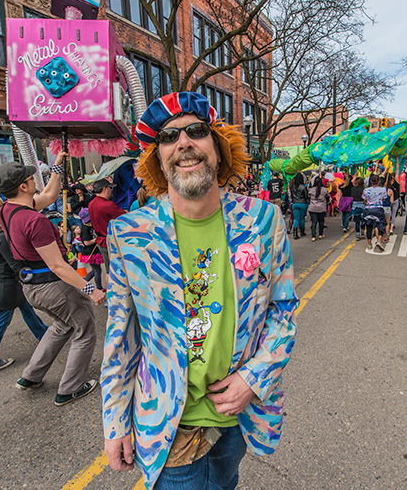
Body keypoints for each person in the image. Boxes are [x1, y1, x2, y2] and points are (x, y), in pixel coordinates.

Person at [102, 91, 297, 489]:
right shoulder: (129, 234)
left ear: (219, 148)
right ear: (158, 158)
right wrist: (115, 419)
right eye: (168, 136)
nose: (184, 142)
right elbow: (121, 335)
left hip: (240, 418)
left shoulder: (264, 220)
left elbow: (284, 310)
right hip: (170, 426)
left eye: (196, 130)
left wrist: (255, 378)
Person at [0, 152, 104, 406]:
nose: (35, 181)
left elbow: (50, 195)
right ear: (23, 186)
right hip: (53, 286)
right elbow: (58, 266)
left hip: (32, 287)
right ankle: (70, 388)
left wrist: (57, 166)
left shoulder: (7, 210)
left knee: (62, 325)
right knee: (84, 328)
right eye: (31, 178)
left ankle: (31, 376)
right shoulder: (35, 220)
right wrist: (90, 290)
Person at [0, 196, 47, 377]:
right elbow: (14, 263)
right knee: (0, 322)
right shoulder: (1, 237)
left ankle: (44, 336)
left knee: (26, 309)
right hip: (4, 283)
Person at [88, 178, 125, 286]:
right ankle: (112, 296)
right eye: (110, 188)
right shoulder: (108, 205)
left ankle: (109, 296)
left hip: (100, 241)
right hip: (110, 241)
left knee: (108, 270)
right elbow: (124, 218)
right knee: (114, 271)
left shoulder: (91, 204)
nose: (111, 190)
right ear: (104, 189)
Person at [362, 174, 393, 252]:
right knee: (381, 225)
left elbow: (364, 201)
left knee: (369, 226)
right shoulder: (383, 190)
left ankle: (369, 244)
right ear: (378, 181)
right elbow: (383, 199)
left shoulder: (366, 190)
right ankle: (379, 240)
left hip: (368, 209)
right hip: (378, 209)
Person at [77, 208, 104, 289]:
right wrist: (97, 239)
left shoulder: (91, 225)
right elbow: (86, 242)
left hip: (94, 251)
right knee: (97, 271)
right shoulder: (85, 229)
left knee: (95, 270)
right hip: (90, 252)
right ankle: (99, 288)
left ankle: (83, 282)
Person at [307, 175, 329, 241]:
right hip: (321, 208)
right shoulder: (324, 190)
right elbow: (328, 197)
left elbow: (308, 196)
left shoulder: (311, 190)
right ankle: (320, 234)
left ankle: (313, 236)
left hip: (313, 208)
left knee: (314, 222)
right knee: (321, 222)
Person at [289, 172, 308, 239]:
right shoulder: (303, 187)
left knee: (296, 219)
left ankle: (295, 233)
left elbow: (291, 196)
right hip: (302, 203)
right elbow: (306, 196)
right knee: (302, 218)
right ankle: (302, 232)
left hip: (295, 204)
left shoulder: (292, 187)